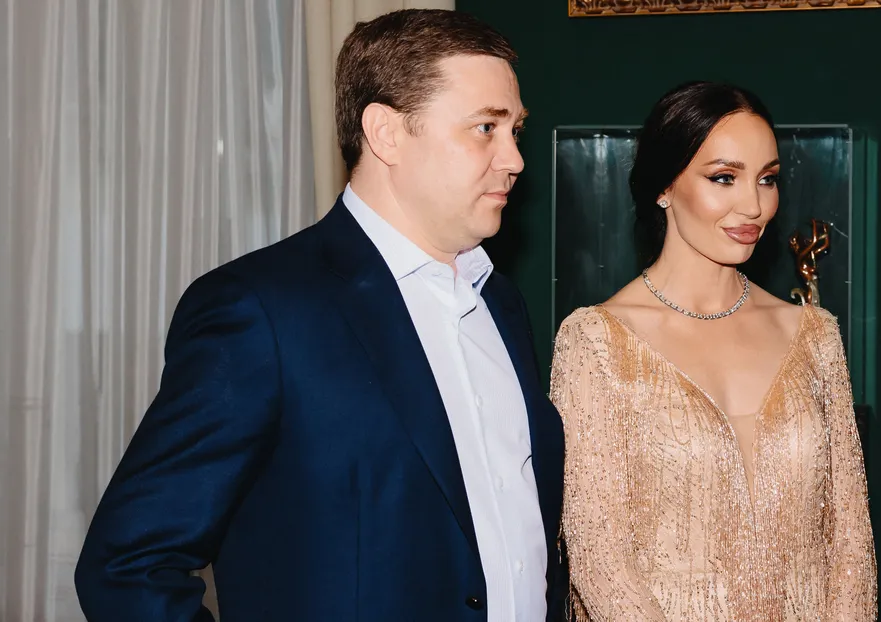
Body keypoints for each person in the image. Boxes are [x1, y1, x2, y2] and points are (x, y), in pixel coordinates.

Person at [74, 9, 567, 622]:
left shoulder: (499, 301)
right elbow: (128, 566)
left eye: (516, 130)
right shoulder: (260, 310)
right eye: (485, 128)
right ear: (386, 133)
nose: (514, 158)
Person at [549, 81, 877, 621]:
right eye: (724, 177)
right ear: (664, 186)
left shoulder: (814, 335)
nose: (754, 205)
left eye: (767, 179)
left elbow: (851, 543)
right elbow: (600, 558)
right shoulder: (596, 342)